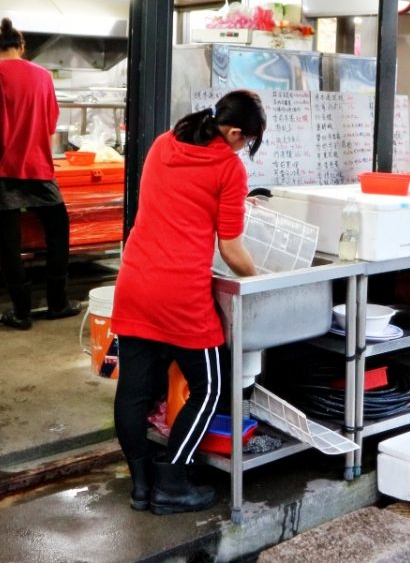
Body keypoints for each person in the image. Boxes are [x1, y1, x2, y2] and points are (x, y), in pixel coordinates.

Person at [111, 90, 266, 515]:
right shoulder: (227, 167)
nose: (245, 148)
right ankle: (174, 482)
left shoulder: (164, 144)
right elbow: (231, 250)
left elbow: (175, 204)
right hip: (181, 293)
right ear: (234, 132)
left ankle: (142, 484)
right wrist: (260, 282)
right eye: (248, 141)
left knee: (134, 391)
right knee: (212, 386)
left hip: (136, 281)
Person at [0, 18, 78, 330]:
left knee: (9, 245)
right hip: (39, 168)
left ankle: (22, 312)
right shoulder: (42, 76)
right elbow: (51, 123)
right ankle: (57, 302)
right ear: (22, 47)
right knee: (58, 233)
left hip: (1, 170)